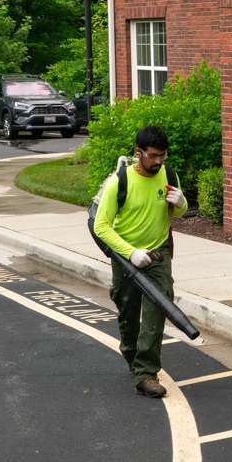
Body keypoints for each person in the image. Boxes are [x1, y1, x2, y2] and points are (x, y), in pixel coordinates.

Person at [93, 125, 188, 398]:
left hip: (158, 252)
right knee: (128, 309)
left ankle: (146, 372)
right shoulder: (119, 182)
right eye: (153, 155)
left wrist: (181, 203)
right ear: (138, 153)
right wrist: (131, 253)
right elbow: (101, 227)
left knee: (159, 304)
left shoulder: (168, 176)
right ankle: (131, 352)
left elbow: (179, 213)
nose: (159, 161)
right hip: (126, 258)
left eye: (163, 156)